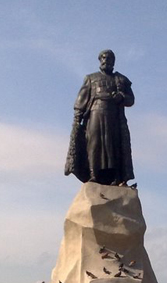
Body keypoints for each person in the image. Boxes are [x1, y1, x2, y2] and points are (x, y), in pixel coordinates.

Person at [65, 49, 135, 186]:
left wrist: (121, 97)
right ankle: (93, 174)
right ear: (100, 60)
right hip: (95, 113)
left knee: (113, 145)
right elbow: (81, 99)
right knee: (94, 143)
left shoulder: (121, 79)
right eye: (103, 58)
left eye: (109, 58)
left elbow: (131, 100)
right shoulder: (91, 79)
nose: (106, 61)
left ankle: (115, 177)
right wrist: (77, 118)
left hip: (114, 117)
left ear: (113, 62)